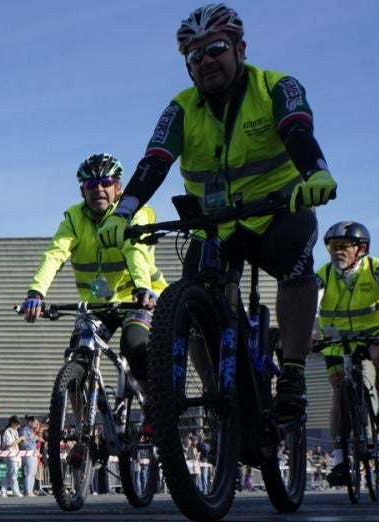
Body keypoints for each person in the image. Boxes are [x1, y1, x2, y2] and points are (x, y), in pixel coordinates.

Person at [97, 4, 337, 425]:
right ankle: (216, 394)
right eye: (194, 55)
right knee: (191, 302)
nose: (206, 61)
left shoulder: (275, 86)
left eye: (216, 49)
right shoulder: (182, 107)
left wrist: (316, 173)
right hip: (214, 224)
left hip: (277, 211)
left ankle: (294, 373)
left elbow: (298, 130)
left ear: (240, 49)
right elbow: (155, 160)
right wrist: (125, 211)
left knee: (297, 270)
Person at [22, 154, 168, 401]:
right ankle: (83, 431)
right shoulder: (73, 219)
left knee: (134, 346)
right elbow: (54, 254)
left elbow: (136, 250)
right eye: (91, 185)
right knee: (75, 361)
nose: (98, 189)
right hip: (97, 303)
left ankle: (154, 407)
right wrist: (36, 293)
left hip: (137, 298)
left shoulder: (136, 212)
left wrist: (143, 287)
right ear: (82, 191)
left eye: (106, 182)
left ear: (118, 187)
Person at [315, 224, 379, 486]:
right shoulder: (323, 274)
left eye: (343, 246)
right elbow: (312, 302)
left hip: (376, 335)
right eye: (332, 247)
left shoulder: (378, 268)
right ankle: (338, 461)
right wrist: (306, 334)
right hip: (336, 341)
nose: (337, 252)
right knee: (339, 392)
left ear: (361, 249)